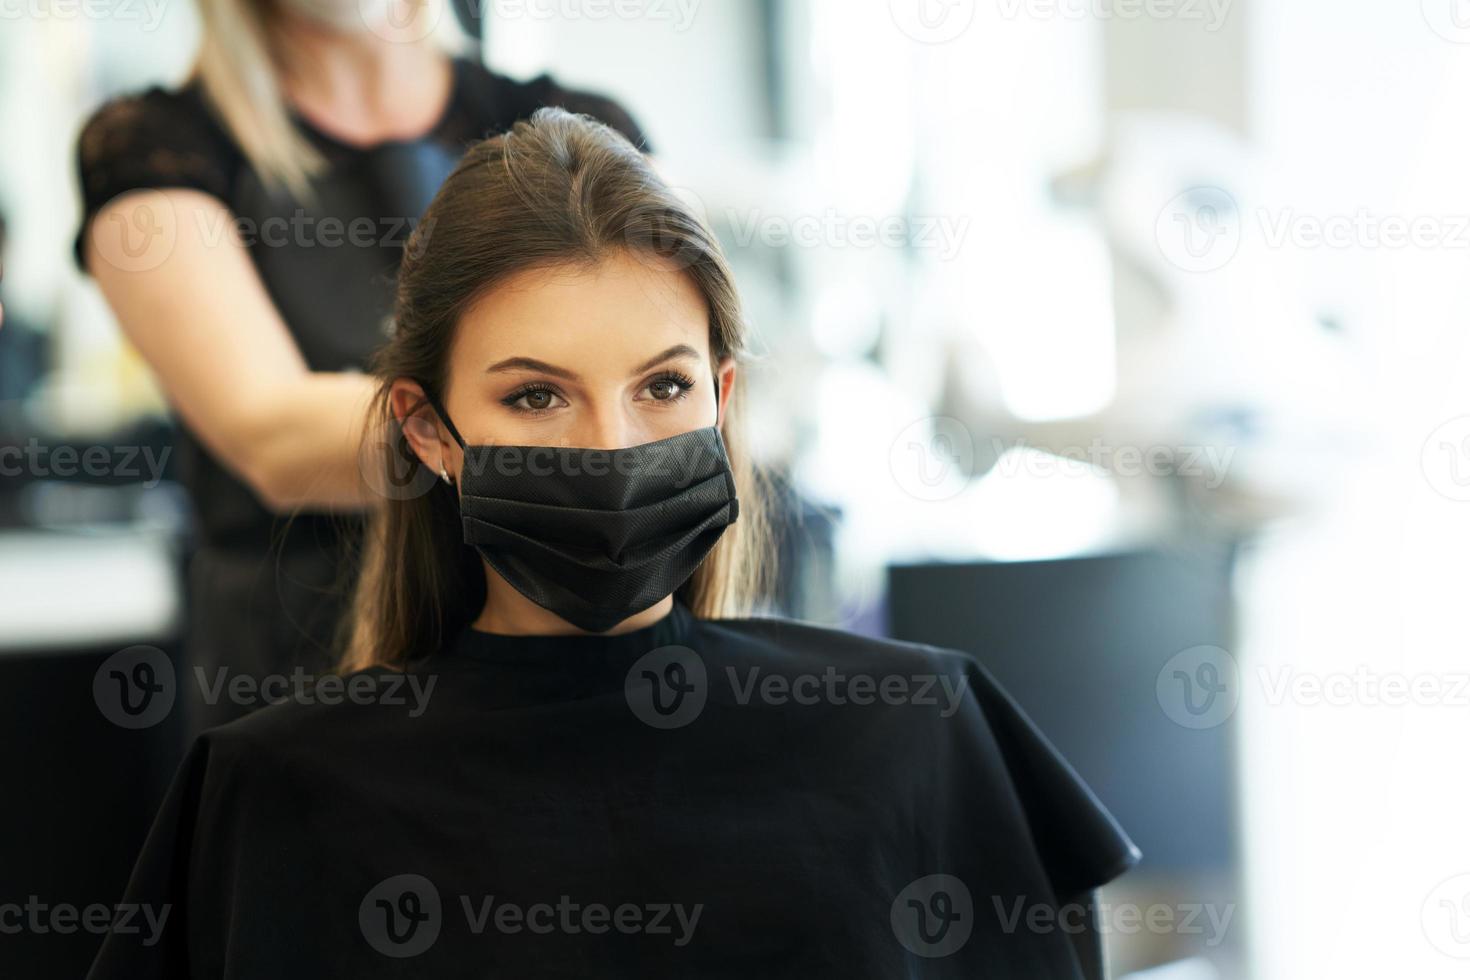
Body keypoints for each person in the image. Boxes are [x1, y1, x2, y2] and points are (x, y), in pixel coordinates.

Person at [85, 109, 1139, 979]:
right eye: (536, 395)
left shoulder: (921, 735)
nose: (610, 445)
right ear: (426, 429)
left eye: (663, 386)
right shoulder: (275, 795)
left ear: (723, 399)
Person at [71, 0, 653, 737]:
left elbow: (672, 365)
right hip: (307, 681)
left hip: (567, 664)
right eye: (532, 399)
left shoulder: (577, 126)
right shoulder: (155, 148)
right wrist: (574, 426)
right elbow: (274, 437)